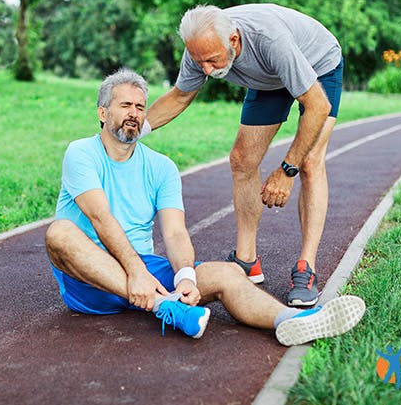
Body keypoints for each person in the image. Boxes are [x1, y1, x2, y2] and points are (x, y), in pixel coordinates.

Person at [45, 68, 365, 345]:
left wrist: (184, 276)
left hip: (147, 272)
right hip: (91, 278)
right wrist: (136, 274)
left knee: (227, 272)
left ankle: (291, 321)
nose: (134, 113)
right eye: (125, 105)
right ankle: (163, 307)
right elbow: (100, 218)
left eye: (140, 107)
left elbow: (174, 232)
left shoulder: (162, 167)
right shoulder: (81, 153)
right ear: (103, 113)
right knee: (59, 233)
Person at [141, 4, 344, 307]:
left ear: (233, 41)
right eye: (200, 62)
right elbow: (180, 95)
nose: (206, 71)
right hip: (268, 79)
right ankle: (247, 260)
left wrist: (287, 170)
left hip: (317, 66)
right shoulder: (200, 49)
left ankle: (306, 268)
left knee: (310, 162)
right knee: (242, 159)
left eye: (212, 60)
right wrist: (133, 130)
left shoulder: (269, 40)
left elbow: (318, 106)